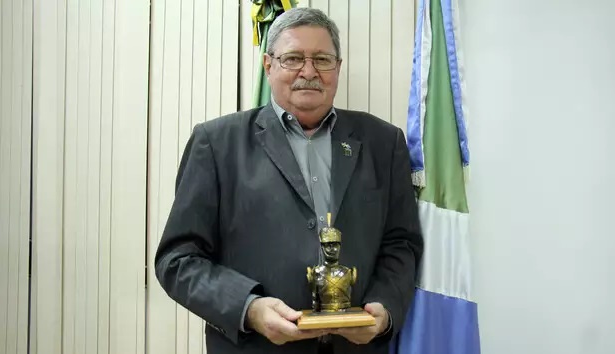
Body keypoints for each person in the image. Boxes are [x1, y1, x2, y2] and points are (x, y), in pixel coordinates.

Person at [154, 7, 423, 354]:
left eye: (322, 60)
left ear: (338, 68)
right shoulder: (217, 144)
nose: (308, 72)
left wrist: (384, 311)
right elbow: (178, 259)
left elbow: (401, 244)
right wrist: (249, 308)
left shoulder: (383, 143)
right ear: (269, 66)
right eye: (293, 58)